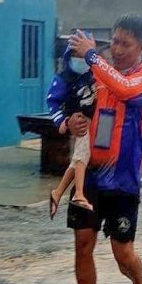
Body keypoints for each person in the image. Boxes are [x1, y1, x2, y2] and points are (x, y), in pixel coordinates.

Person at [52, 16, 142, 284]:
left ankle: (139, 283)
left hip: (124, 181)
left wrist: (91, 55)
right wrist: (69, 122)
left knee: (122, 254)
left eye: (126, 44)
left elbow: (122, 88)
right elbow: (69, 105)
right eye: (114, 42)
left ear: (141, 47)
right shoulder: (93, 76)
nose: (118, 49)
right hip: (92, 177)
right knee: (82, 245)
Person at [48, 45, 98, 215]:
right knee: (82, 156)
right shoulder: (64, 78)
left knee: (77, 160)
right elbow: (52, 102)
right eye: (76, 55)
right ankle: (78, 194)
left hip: (92, 121)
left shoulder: (93, 73)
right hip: (80, 120)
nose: (80, 59)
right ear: (69, 56)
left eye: (83, 54)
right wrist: (62, 121)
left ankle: (58, 192)